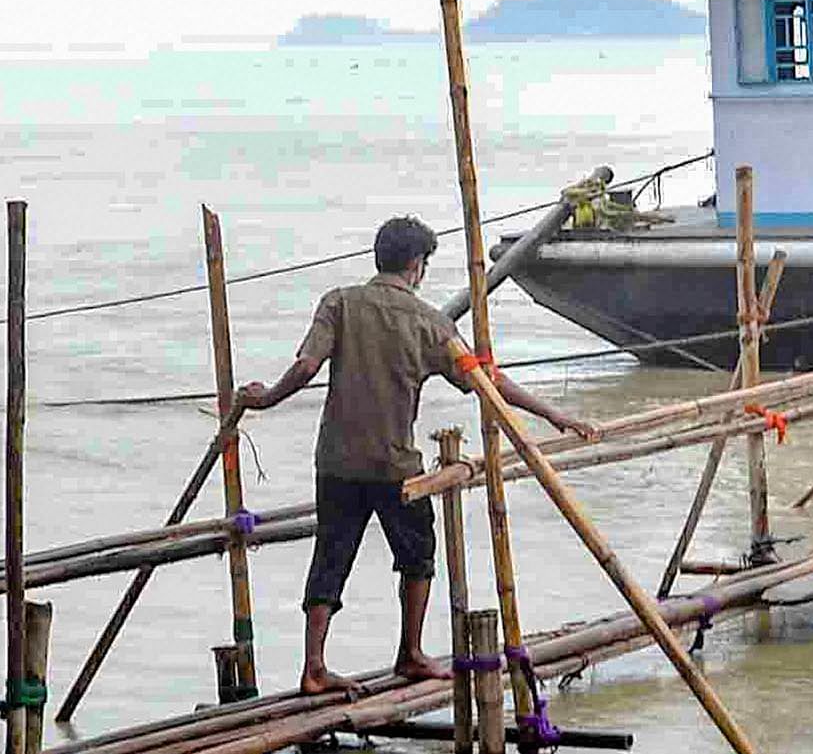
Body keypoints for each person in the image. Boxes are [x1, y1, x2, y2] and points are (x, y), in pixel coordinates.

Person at [224, 215, 592, 692]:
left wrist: (266, 399)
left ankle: (314, 667)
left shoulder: (339, 302)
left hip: (337, 461)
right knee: (417, 556)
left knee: (331, 555)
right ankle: (411, 653)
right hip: (397, 467)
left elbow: (305, 367)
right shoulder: (431, 324)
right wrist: (553, 414)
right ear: (417, 266)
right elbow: (487, 381)